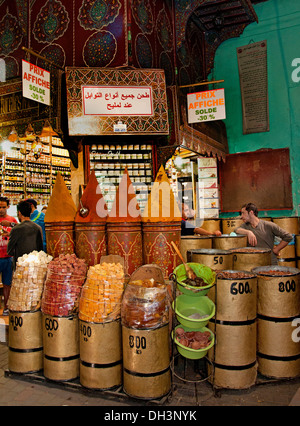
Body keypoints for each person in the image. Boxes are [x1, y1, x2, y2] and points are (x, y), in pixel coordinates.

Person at [7, 201, 43, 271]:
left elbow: (10, 251)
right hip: (34, 267)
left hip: (20, 266)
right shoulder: (38, 228)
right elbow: (40, 249)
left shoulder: (16, 229)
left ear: (19, 213)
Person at [0, 197, 18, 315]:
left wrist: (9, 234)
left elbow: (18, 235)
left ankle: (6, 307)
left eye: (3, 207)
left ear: (8, 207)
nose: (1, 209)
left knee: (7, 283)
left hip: (8, 256)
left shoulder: (12, 221)